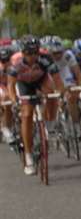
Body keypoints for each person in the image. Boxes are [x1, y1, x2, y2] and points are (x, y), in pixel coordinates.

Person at [5, 36, 61, 175]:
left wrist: (61, 93)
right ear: (23, 53)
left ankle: (51, 124)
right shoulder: (15, 63)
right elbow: (11, 85)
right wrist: (14, 101)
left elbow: (57, 80)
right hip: (24, 85)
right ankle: (28, 155)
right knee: (27, 114)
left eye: (35, 53)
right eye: (29, 53)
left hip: (40, 81)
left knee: (51, 93)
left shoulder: (45, 58)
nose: (33, 56)